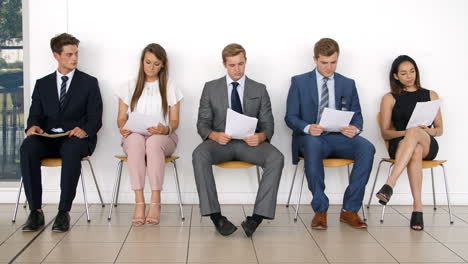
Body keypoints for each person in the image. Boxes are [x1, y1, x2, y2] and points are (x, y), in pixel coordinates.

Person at [192, 43, 284, 237]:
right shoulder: (210, 88)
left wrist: (261, 136)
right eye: (232, 65)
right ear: (224, 64)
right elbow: (202, 124)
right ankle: (217, 218)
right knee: (199, 154)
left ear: (245, 62)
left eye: (241, 64)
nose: (237, 69)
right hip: (220, 143)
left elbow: (269, 125)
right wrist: (214, 135)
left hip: (249, 144)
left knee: (276, 157)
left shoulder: (259, 89)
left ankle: (256, 219)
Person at [285, 38, 375, 230]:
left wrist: (355, 129)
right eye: (324, 63)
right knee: (313, 144)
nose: (329, 67)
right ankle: (320, 210)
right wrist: (309, 127)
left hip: (340, 137)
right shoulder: (299, 82)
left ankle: (349, 210)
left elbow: (358, 116)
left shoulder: (348, 83)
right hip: (313, 138)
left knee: (367, 147)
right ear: (315, 59)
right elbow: (290, 117)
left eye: (333, 62)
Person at [20, 33, 103, 232]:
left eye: (76, 53)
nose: (74, 58)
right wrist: (33, 126)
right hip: (48, 137)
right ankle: (36, 212)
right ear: (56, 55)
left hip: (75, 138)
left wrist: (84, 130)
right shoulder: (43, 84)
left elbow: (95, 118)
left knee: (72, 150)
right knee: (28, 148)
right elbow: (35, 115)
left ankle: (63, 212)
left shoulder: (89, 83)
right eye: (68, 54)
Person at [116, 43, 182, 226]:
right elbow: (121, 118)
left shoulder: (170, 86)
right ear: (142, 62)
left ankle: (155, 201)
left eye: (156, 64)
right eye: (148, 62)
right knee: (136, 141)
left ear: (162, 65)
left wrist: (165, 129)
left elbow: (175, 121)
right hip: (135, 134)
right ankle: (139, 201)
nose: (151, 67)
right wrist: (123, 127)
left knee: (152, 143)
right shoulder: (128, 86)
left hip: (162, 137)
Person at [375, 55, 443, 231]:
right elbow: (385, 132)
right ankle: (417, 210)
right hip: (400, 145)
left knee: (417, 140)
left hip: (427, 142)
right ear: (396, 76)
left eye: (412, 71)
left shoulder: (430, 95)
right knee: (415, 150)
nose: (409, 76)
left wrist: (425, 131)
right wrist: (409, 133)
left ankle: (390, 183)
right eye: (404, 73)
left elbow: (440, 129)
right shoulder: (389, 98)